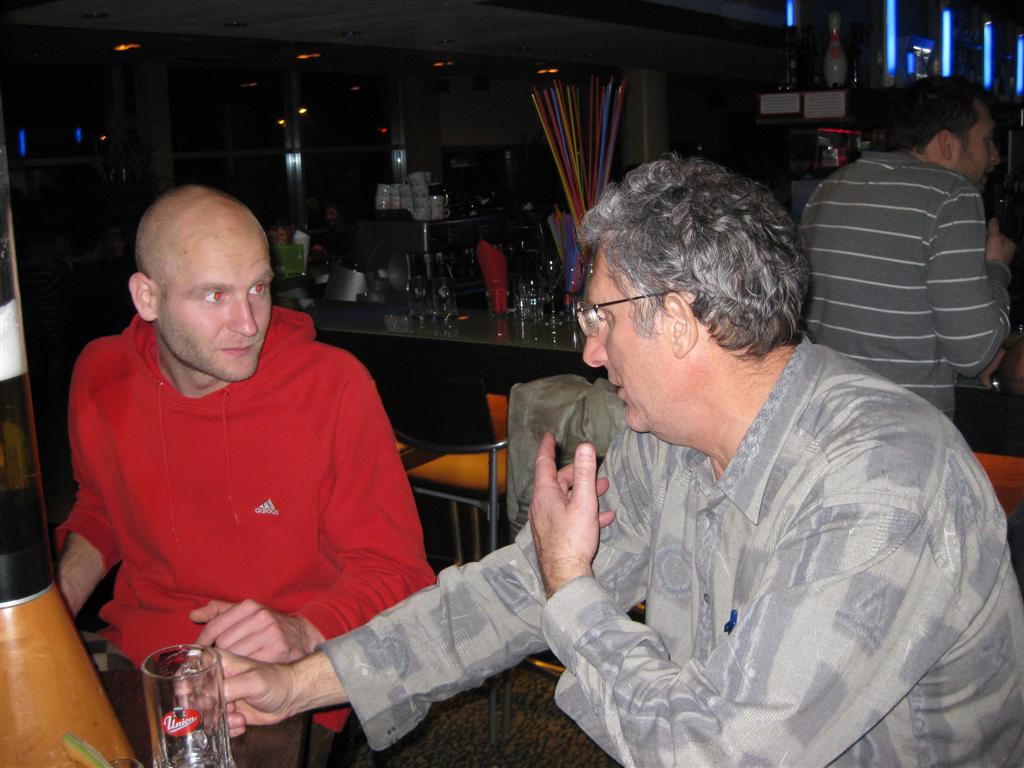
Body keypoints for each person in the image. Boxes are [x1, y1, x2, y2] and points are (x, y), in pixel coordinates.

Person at [220, 157, 1024, 766]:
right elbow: (515, 590)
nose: (591, 352)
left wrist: (572, 588)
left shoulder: (883, 483)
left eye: (599, 317)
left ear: (677, 320)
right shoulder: (666, 444)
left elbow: (715, 751)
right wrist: (302, 680)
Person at [55, 184, 436, 761]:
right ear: (147, 297)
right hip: (140, 657)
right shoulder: (100, 373)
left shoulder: (331, 386)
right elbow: (101, 506)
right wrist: (54, 602)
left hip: (280, 677)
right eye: (215, 295)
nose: (249, 323)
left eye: (259, 288)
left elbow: (400, 571)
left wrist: (304, 630)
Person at [801, 76, 1014, 418]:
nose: (995, 157)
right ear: (947, 143)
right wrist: (997, 268)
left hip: (824, 418)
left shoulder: (830, 188)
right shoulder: (952, 195)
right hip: (904, 430)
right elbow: (973, 353)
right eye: (987, 140)